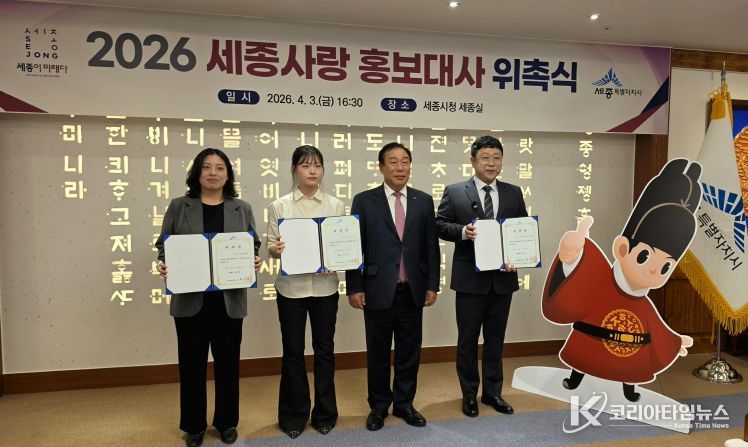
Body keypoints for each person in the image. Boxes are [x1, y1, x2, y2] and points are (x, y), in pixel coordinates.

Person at [542, 159, 699, 402]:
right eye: (645, 256)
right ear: (622, 248)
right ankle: (575, 378)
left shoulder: (643, 305)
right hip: (588, 345)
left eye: (666, 266)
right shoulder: (600, 279)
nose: (653, 270)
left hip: (631, 353)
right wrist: (570, 256)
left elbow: (657, 329)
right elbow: (577, 280)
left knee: (631, 369)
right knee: (583, 361)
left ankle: (628, 389)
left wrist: (674, 341)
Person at [156, 148, 262, 447]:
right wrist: (164, 263)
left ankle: (226, 422)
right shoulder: (179, 206)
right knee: (191, 366)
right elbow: (164, 245)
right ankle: (193, 425)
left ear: (228, 174)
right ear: (197, 173)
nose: (213, 173)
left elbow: (252, 244)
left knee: (228, 365)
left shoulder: (241, 208)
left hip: (228, 301)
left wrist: (254, 259)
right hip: (190, 301)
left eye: (219, 168)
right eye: (206, 167)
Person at [345, 142, 440, 431]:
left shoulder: (424, 200)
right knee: (377, 351)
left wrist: (432, 284)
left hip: (412, 288)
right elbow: (354, 246)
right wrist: (354, 286)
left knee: (409, 350)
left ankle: (404, 403)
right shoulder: (364, 200)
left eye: (405, 161)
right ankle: (378, 406)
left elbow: (431, 246)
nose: (400, 167)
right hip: (376, 288)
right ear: (381, 167)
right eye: (393, 162)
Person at [436, 135, 527, 418]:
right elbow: (439, 225)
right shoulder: (455, 191)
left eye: (496, 158)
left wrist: (518, 257)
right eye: (485, 158)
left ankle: (493, 392)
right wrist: (463, 232)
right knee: (467, 341)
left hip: (502, 280)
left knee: (495, 340)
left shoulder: (513, 192)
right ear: (473, 161)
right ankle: (469, 394)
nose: (491, 163)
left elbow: (521, 230)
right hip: (470, 280)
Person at [266, 145, 344, 438]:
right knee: (293, 353)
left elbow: (341, 245)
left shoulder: (336, 205)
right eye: (305, 165)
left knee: (325, 351)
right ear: (294, 170)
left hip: (325, 287)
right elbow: (271, 246)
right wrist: (277, 249)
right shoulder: (280, 206)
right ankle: (294, 415)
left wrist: (336, 259)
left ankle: (325, 413)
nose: (312, 171)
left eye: (317, 165)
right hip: (291, 290)